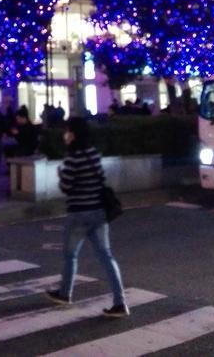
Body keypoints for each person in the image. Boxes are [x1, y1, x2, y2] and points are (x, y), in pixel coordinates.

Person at [46, 116, 129, 317]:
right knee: (106, 256)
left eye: (67, 131)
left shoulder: (72, 157)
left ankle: (65, 293)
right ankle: (120, 302)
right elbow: (100, 179)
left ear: (73, 134)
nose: (65, 134)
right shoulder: (92, 153)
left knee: (70, 255)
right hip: (99, 213)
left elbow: (66, 187)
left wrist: (61, 175)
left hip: (79, 214)